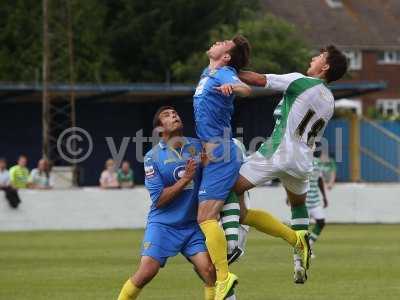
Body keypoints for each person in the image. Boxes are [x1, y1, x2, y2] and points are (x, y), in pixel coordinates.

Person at [233, 45, 348, 283]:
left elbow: (258, 79)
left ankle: (236, 240)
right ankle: (299, 260)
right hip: (303, 161)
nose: (313, 57)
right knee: (298, 206)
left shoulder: (300, 81)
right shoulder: (329, 100)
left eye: (319, 57)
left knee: (228, 187)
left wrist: (227, 69)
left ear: (324, 66)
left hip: (278, 152)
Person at [117, 106, 218, 300]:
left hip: (191, 225)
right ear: (159, 130)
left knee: (209, 271)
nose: (174, 116)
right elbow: (159, 200)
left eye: (175, 114)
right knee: (146, 272)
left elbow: (213, 176)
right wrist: (185, 179)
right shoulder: (152, 157)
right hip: (163, 224)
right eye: (167, 115)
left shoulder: (198, 146)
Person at [193, 35, 252, 299]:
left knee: (205, 217)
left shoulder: (224, 73)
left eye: (223, 42)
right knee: (209, 219)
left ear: (226, 56)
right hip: (212, 151)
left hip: (221, 151)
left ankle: (226, 272)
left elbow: (246, 90)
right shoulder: (209, 72)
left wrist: (235, 87)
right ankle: (226, 288)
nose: (216, 41)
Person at [306, 144, 328, 257]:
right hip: (304, 200)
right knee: (306, 226)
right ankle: (305, 248)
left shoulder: (317, 163)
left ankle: (308, 243)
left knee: (321, 222)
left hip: (314, 200)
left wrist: (324, 197)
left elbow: (319, 180)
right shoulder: (306, 162)